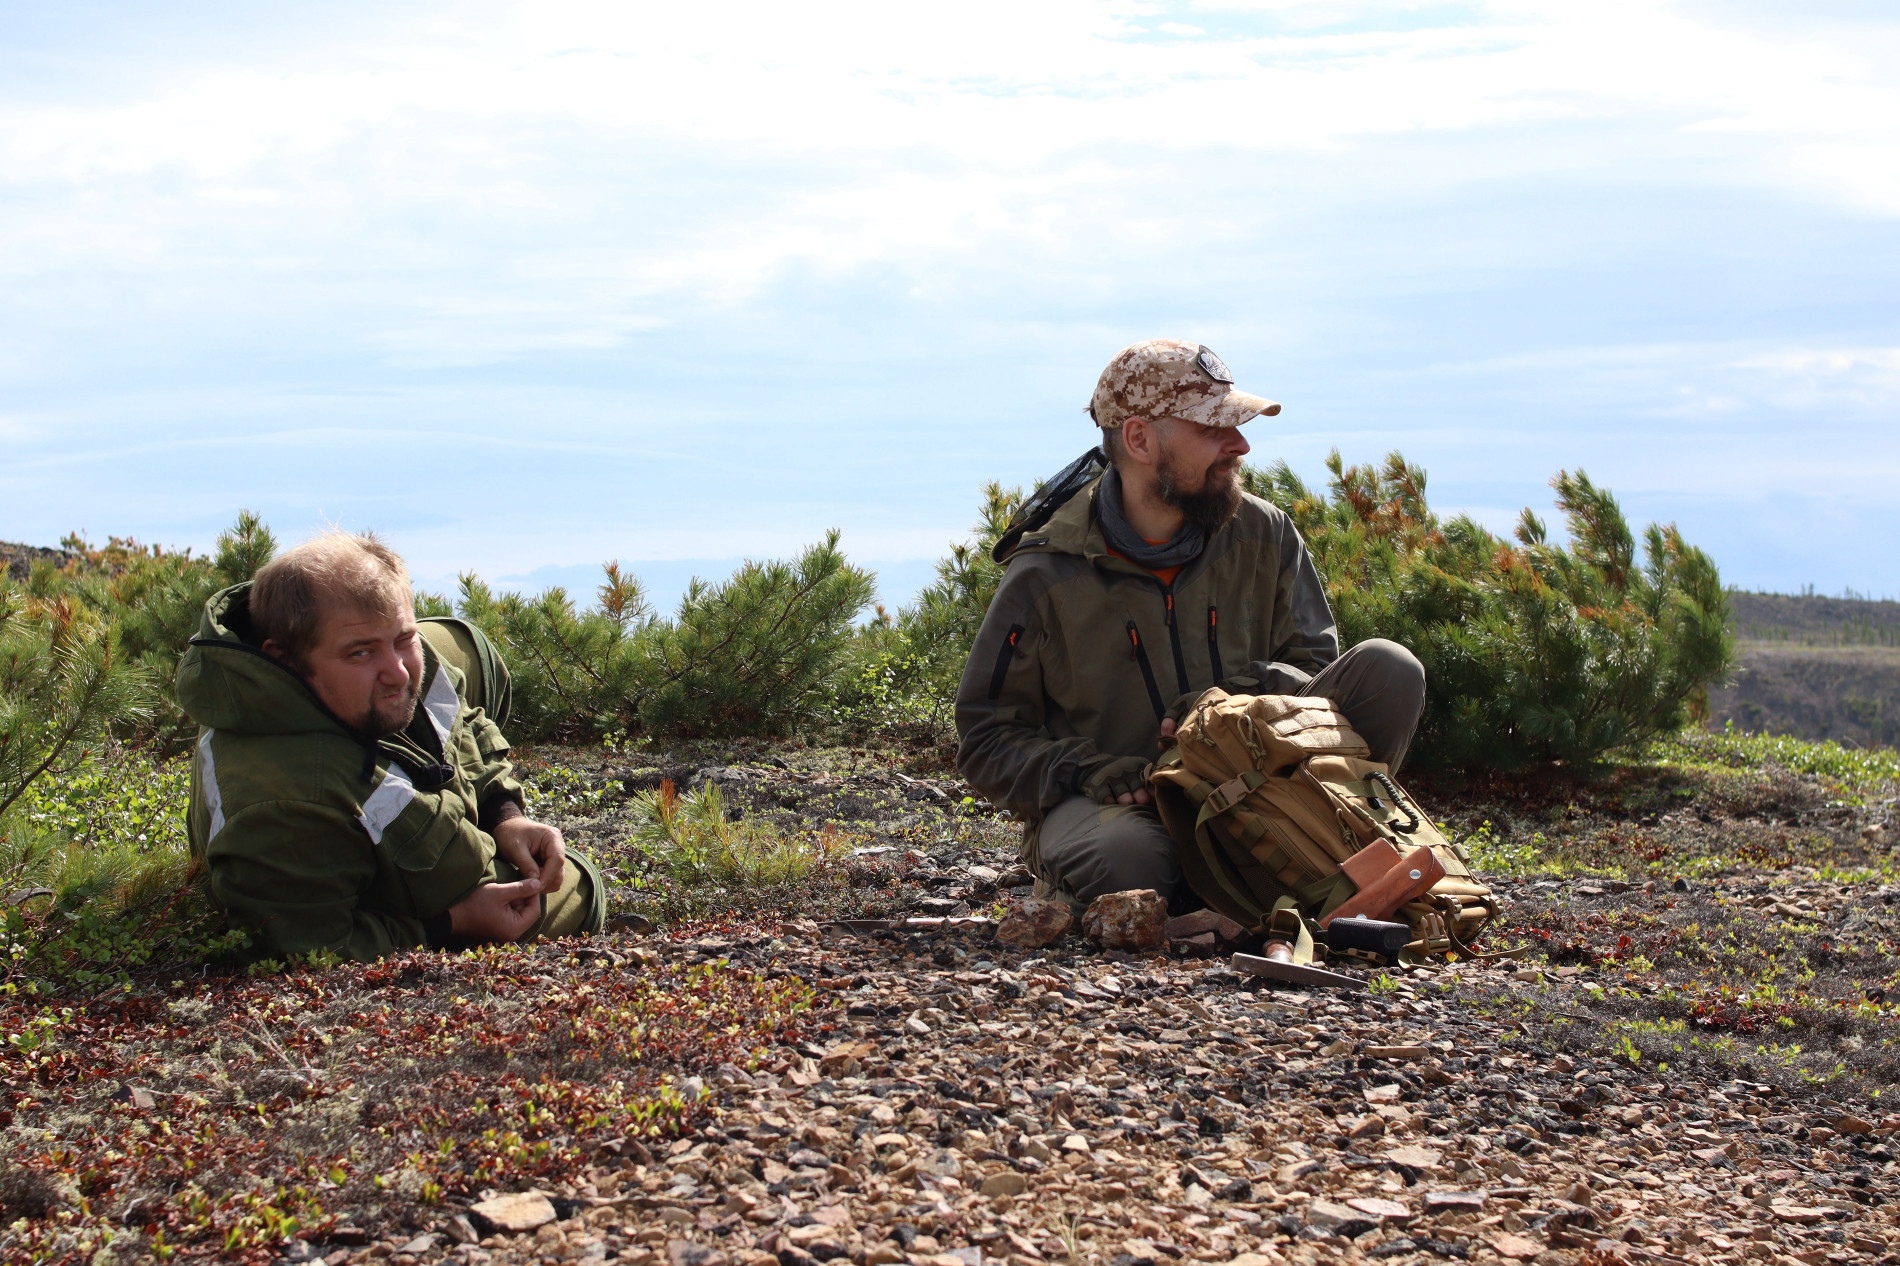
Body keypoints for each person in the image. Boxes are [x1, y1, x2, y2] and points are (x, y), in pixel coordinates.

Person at [955, 339, 1426, 910]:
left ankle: (1323, 830)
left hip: (1259, 780)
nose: (1241, 446)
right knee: (1131, 864)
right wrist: (1084, 768)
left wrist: (1236, 697)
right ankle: (1265, 874)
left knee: (1389, 670)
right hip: (1125, 809)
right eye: (1212, 429)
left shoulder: (1265, 533)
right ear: (1139, 439)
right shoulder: (1046, 572)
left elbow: (1316, 675)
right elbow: (985, 735)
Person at [178, 530, 603, 961]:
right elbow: (304, 948)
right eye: (360, 653)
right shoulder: (283, 808)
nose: (398, 673)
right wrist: (451, 923)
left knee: (472, 649)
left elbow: (453, 715)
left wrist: (504, 815)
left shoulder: (355, 662)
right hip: (422, 896)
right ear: (284, 659)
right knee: (583, 884)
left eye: (403, 639)